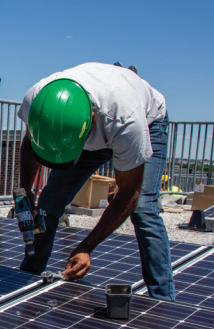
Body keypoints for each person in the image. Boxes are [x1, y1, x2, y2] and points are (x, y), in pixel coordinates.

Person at [17, 62, 174, 300]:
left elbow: (129, 193)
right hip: (83, 131)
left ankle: (163, 299)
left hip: (147, 121)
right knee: (49, 201)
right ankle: (29, 274)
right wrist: (25, 189)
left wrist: (86, 247)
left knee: (144, 210)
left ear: (90, 121)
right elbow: (31, 142)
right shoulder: (38, 100)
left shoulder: (126, 121)